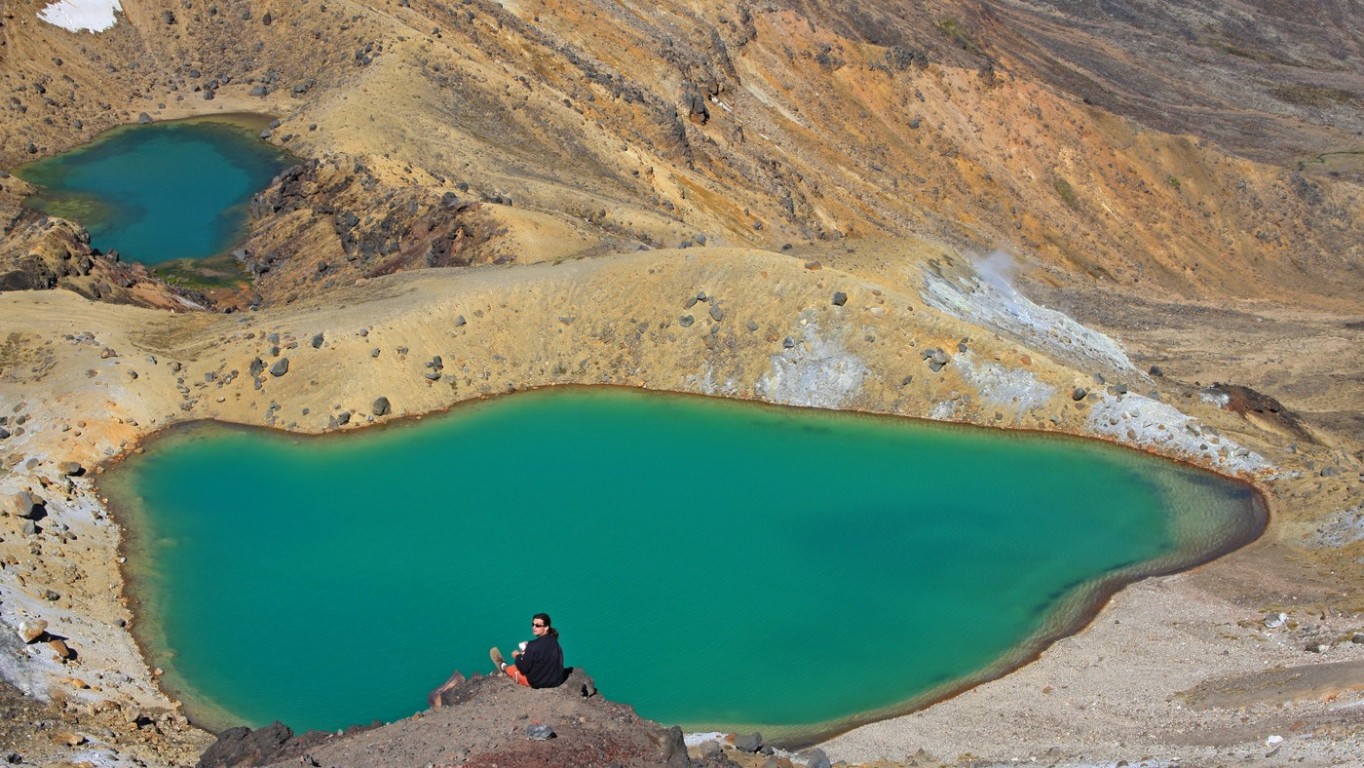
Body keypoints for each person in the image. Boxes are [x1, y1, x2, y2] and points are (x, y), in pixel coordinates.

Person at [490, 612, 564, 688]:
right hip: (556, 680)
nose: (534, 627)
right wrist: (528, 650)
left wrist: (517, 656)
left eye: (537, 625)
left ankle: (503, 666)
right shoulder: (554, 641)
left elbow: (523, 669)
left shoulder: (532, 646)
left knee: (514, 669)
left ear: (546, 627)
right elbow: (543, 652)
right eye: (533, 624)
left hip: (538, 682)